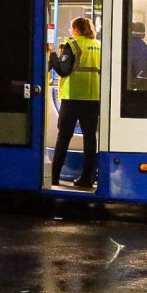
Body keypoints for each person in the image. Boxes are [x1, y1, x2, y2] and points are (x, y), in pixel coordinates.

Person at [49, 17, 101, 188]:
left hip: (72, 98)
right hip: (93, 99)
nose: (71, 32)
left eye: (72, 29)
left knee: (63, 137)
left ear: (76, 30)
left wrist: (53, 54)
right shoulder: (98, 46)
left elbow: (63, 70)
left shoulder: (72, 44)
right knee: (90, 139)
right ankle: (87, 178)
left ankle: (54, 176)